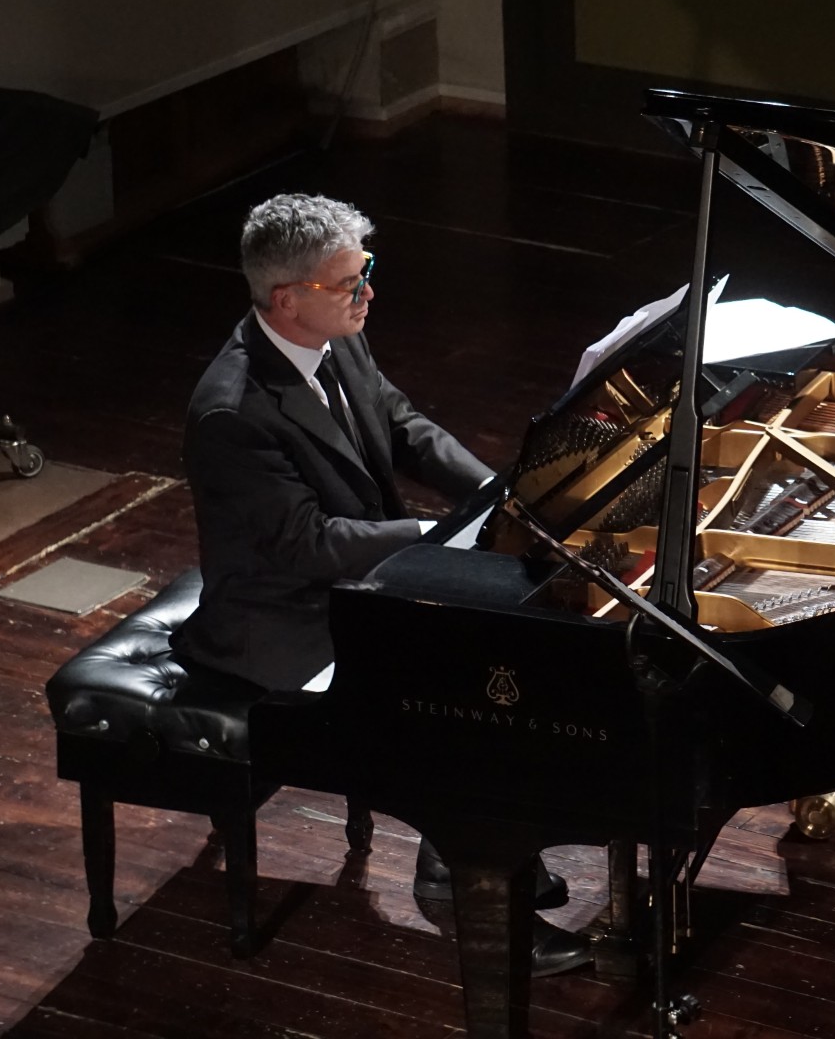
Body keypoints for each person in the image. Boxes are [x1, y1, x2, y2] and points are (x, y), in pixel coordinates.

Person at [169, 192, 587, 975]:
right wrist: (438, 535)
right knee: (456, 685)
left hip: (346, 586)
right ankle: (461, 885)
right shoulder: (232, 413)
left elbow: (404, 426)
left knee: (501, 647)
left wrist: (500, 494)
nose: (368, 293)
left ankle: (485, 851)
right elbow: (308, 545)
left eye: (367, 271)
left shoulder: (339, 339)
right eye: (349, 282)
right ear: (286, 299)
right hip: (282, 621)